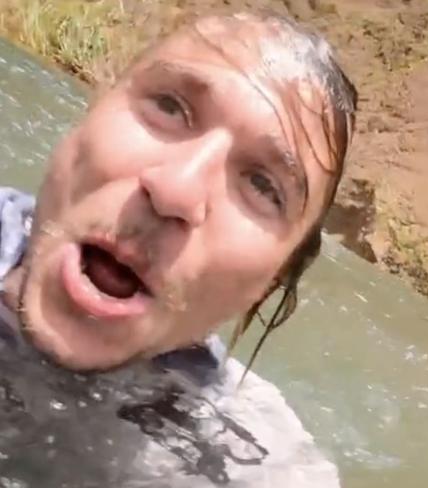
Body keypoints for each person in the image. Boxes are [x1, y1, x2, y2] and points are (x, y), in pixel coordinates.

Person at [0, 11, 357, 487]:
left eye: (261, 185)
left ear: (269, 284)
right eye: (169, 107)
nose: (176, 192)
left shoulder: (256, 468)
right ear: (86, 117)